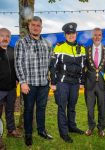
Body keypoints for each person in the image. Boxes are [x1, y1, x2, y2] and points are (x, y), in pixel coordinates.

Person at [15, 16, 53, 146]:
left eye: (38, 25)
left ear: (41, 27)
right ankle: (28, 134)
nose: (36, 27)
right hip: (29, 84)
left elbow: (49, 63)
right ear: (29, 27)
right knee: (29, 110)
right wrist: (22, 82)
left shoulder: (47, 43)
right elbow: (18, 63)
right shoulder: (22, 42)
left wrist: (49, 81)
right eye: (33, 25)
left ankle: (42, 131)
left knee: (41, 109)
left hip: (43, 84)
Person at [50, 22, 86, 143]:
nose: (71, 35)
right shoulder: (59, 46)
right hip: (63, 82)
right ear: (65, 35)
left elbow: (83, 67)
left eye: (73, 33)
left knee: (72, 106)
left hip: (75, 83)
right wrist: (54, 83)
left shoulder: (82, 48)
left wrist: (82, 81)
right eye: (68, 34)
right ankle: (64, 133)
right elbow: (53, 66)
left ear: (76, 34)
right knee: (62, 107)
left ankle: (72, 127)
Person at [84, 28, 105, 137]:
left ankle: (101, 128)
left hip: (103, 84)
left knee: (102, 108)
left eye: (99, 35)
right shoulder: (86, 49)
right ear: (92, 36)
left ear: (102, 36)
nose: (97, 37)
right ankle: (90, 127)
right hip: (89, 84)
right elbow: (82, 66)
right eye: (95, 35)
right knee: (90, 109)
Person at [0, 28, 22, 141]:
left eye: (7, 36)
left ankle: (11, 130)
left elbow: (17, 67)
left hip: (12, 88)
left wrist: (17, 79)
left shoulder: (13, 50)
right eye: (2, 36)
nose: (5, 38)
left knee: (10, 111)